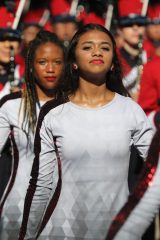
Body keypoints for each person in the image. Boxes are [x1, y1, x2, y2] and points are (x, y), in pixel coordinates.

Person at [18, 24, 153, 240]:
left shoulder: (130, 110)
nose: (97, 52)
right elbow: (41, 185)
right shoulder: (54, 113)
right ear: (73, 62)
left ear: (112, 64)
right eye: (88, 47)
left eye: (105, 48)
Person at [0, 30, 65, 240]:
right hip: (17, 211)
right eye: (42, 62)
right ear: (30, 65)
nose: (50, 69)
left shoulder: (77, 106)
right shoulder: (11, 105)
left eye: (57, 62)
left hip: (66, 215)